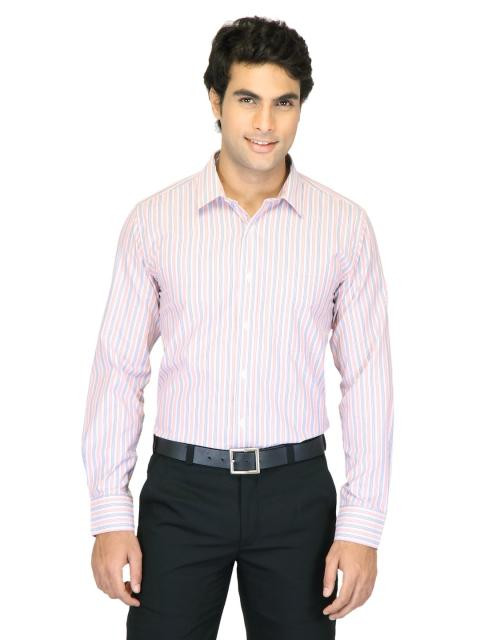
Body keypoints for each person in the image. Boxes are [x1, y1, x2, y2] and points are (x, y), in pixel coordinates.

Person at [81, 15, 394, 640]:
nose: (265, 123)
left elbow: (368, 379)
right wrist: (110, 514)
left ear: (300, 107)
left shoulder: (344, 228)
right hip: (182, 492)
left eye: (284, 103)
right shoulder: (154, 222)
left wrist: (362, 526)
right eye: (248, 100)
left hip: (297, 496)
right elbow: (119, 370)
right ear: (215, 101)